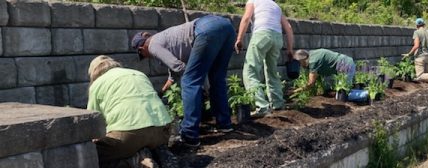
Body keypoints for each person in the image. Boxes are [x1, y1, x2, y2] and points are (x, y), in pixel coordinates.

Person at [131, 14, 236, 148]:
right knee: (217, 78)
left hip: (205, 29)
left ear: (141, 49)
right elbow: (177, 58)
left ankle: (190, 135)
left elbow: (177, 65)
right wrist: (169, 81)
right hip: (226, 26)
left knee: (188, 81)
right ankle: (224, 124)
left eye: (143, 56)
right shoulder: (162, 37)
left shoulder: (152, 46)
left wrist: (195, 81)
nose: (147, 57)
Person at [87, 55, 174, 168]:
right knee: (141, 140)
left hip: (129, 136)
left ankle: (134, 160)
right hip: (163, 131)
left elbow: (92, 123)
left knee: (90, 153)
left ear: (93, 73)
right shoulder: (138, 74)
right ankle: (152, 151)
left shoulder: (96, 85)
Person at [235, 0, 295, 117]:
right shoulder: (275, 5)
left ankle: (262, 107)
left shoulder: (253, 1)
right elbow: (288, 27)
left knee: (250, 71)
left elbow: (246, 18)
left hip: (262, 35)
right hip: (277, 39)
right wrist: (290, 49)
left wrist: (239, 39)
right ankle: (278, 103)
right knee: (272, 71)